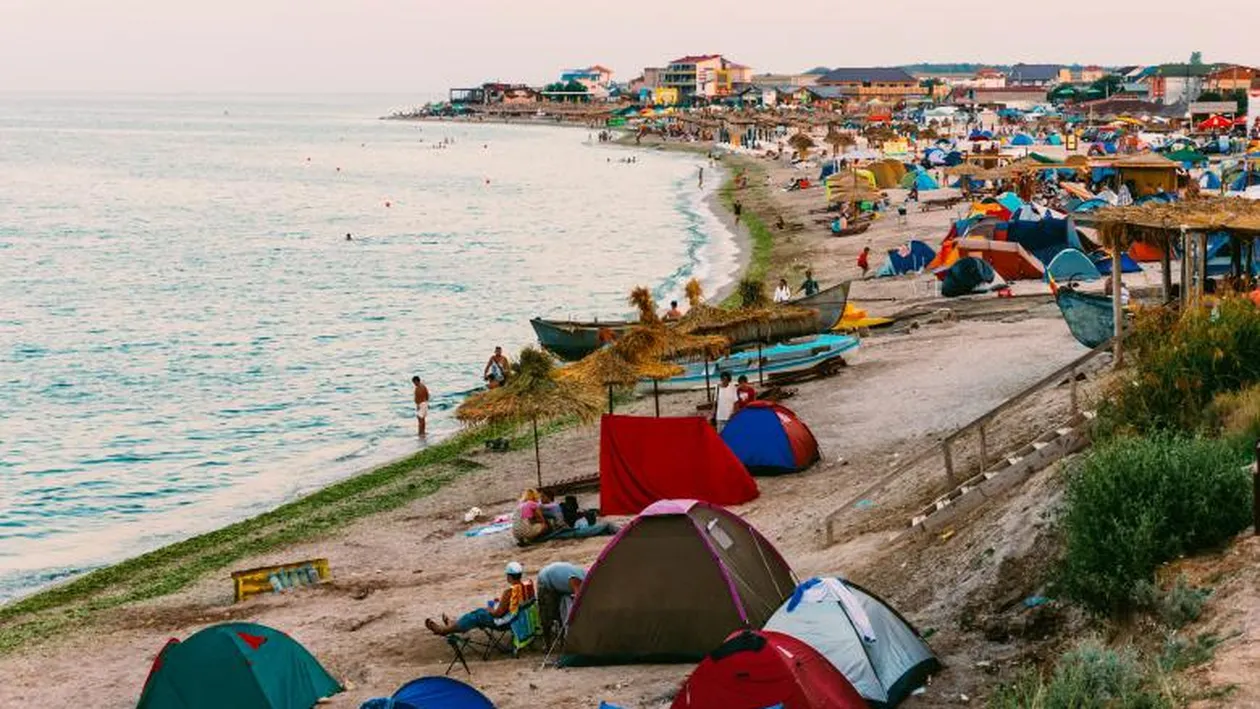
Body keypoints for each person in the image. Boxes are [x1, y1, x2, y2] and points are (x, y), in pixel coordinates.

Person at [425, 561, 533, 636]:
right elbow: (514, 606)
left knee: (475, 616)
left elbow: (498, 614)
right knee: (477, 613)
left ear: (509, 576)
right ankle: (452, 624)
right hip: (517, 620)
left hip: (504, 623)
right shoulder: (525, 586)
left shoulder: (509, 592)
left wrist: (490, 609)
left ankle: (444, 630)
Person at [536, 561, 586, 646]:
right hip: (546, 581)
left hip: (558, 580)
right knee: (547, 614)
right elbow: (578, 601)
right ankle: (547, 644)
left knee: (561, 613)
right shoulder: (578, 581)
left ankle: (563, 639)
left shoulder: (585, 575)